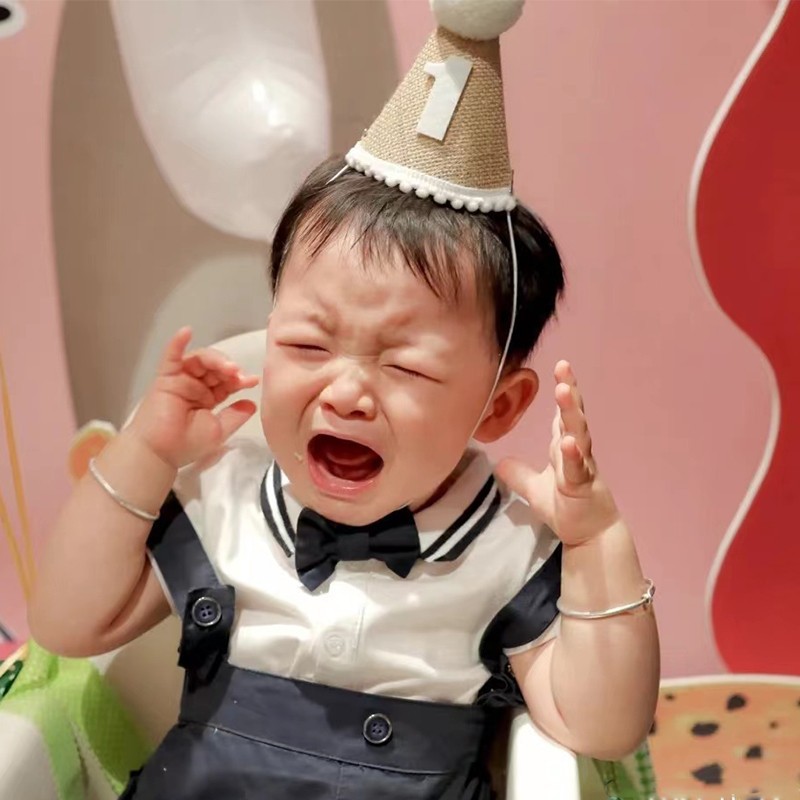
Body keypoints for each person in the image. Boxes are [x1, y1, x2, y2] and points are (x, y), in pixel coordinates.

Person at [29, 1, 660, 797]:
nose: (348, 392)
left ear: (498, 408)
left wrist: (597, 542)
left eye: (407, 368)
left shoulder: (504, 547)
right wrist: (146, 455)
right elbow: (66, 624)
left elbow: (603, 724)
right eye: (307, 346)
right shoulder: (225, 499)